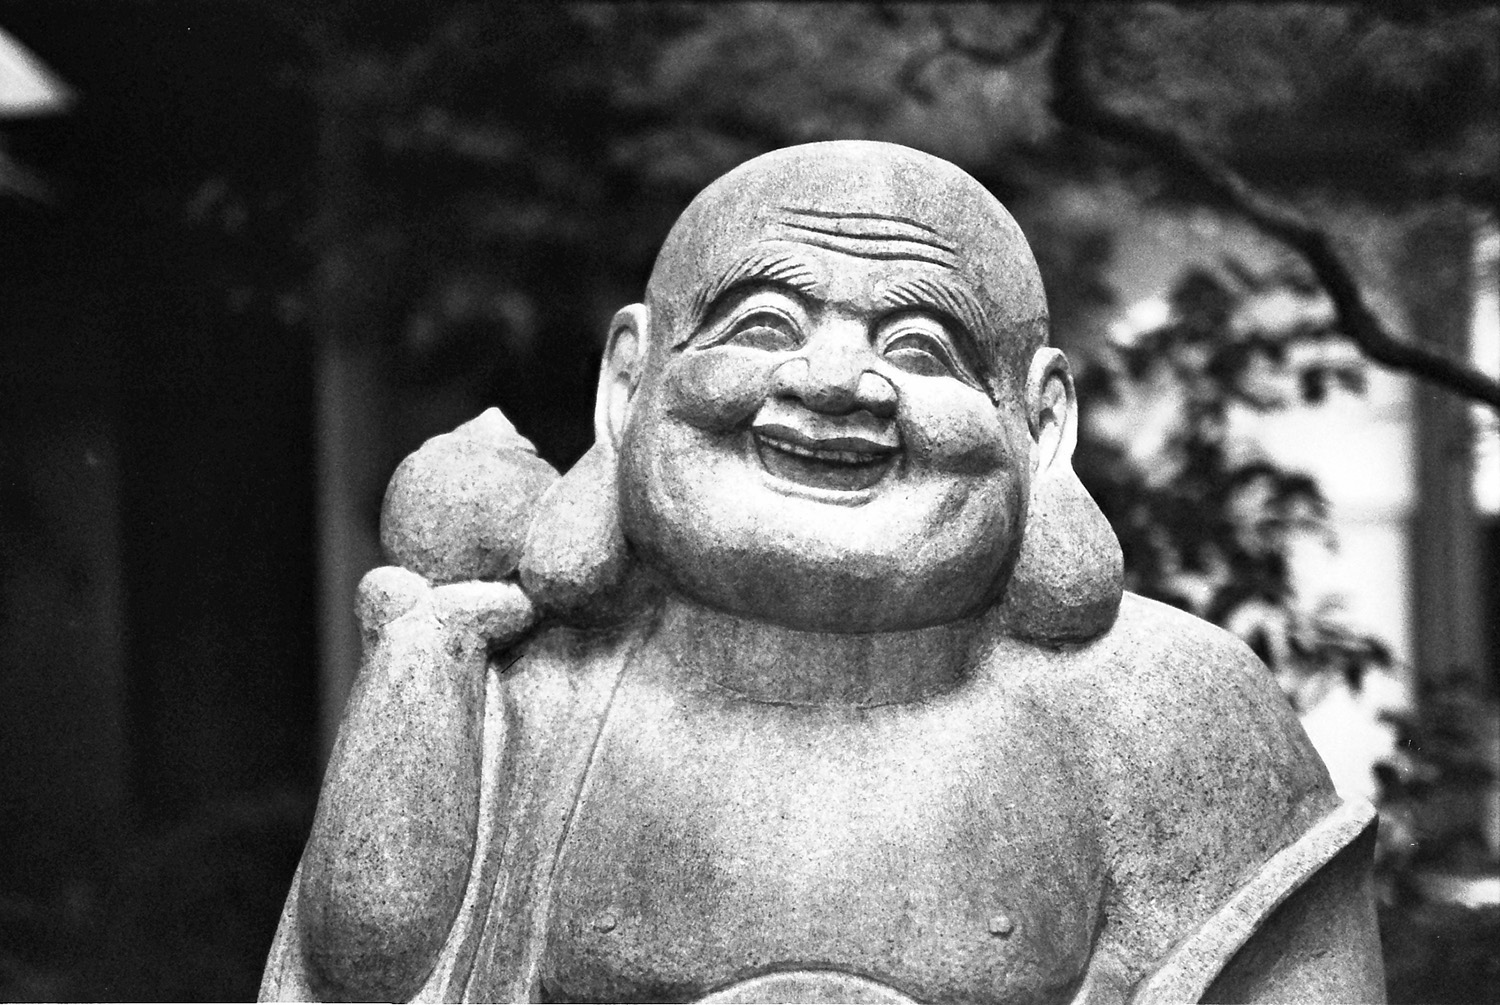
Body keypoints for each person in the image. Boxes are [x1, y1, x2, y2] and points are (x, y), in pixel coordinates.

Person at [261, 141, 1385, 1004]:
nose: (835, 380)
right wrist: (425, 666)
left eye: (920, 347)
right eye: (763, 325)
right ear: (629, 383)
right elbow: (357, 978)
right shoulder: (530, 689)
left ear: (1039, 423)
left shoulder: (1165, 710)